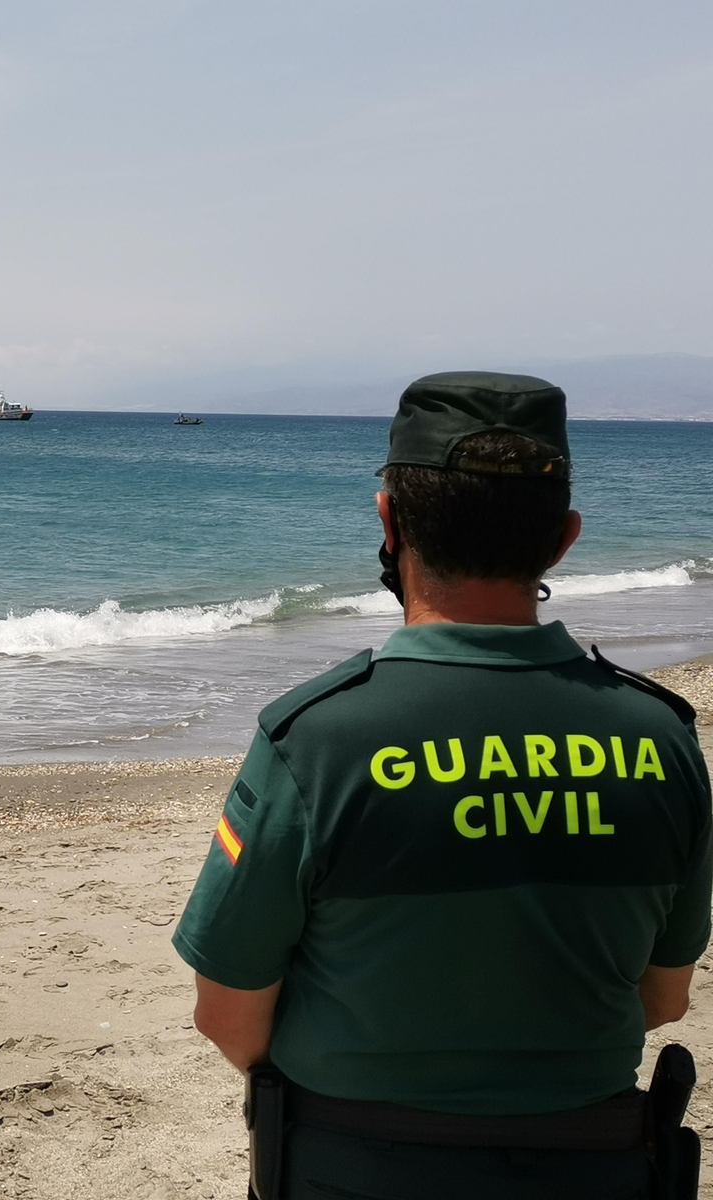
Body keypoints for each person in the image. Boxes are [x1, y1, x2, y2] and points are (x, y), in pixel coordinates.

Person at [171, 373, 710, 1200]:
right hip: (593, 1169)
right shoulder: (663, 742)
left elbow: (229, 1017)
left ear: (390, 522)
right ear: (563, 539)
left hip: (350, 1168)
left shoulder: (314, 740)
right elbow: (664, 999)